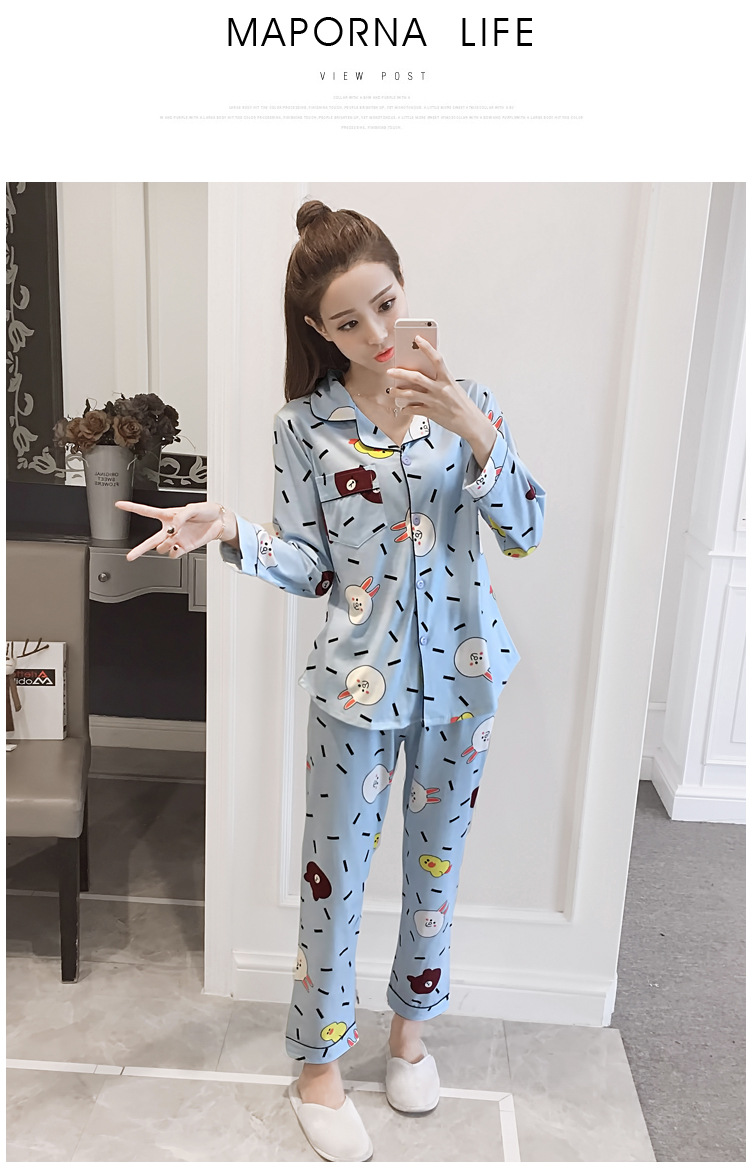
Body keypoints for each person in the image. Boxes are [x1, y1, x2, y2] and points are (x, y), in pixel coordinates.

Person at [117, 199, 545, 1161]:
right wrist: (230, 532)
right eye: (349, 322)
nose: (377, 333)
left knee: (435, 873)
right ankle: (318, 1065)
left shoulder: (468, 401)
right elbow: (313, 567)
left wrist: (475, 430)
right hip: (356, 688)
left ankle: (410, 1037)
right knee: (335, 881)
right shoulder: (304, 426)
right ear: (318, 328)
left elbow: (525, 532)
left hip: (465, 683)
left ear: (404, 289)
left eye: (386, 305)